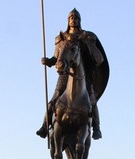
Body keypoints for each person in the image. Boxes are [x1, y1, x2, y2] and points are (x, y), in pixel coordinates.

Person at [38, 8, 107, 140]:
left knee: (91, 101)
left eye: (76, 17)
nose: (73, 19)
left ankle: (96, 128)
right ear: (68, 20)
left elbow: (99, 59)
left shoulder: (87, 35)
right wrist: (49, 61)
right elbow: (56, 58)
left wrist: (87, 43)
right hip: (65, 74)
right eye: (71, 17)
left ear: (79, 20)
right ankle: (44, 126)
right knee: (54, 98)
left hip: (84, 74)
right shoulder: (61, 38)